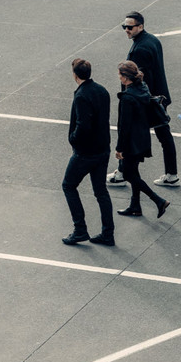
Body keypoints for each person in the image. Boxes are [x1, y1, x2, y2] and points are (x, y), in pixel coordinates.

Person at [108, 11, 180, 187]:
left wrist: (135, 101)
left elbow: (139, 79)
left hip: (146, 102)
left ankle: (122, 172)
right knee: (165, 135)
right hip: (159, 98)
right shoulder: (152, 40)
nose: (126, 30)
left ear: (140, 26)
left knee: (129, 134)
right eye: (124, 26)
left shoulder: (139, 49)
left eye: (130, 27)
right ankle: (172, 173)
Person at [62, 59, 115, 246]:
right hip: (102, 149)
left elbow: (83, 126)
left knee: (68, 185)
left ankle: (80, 229)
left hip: (86, 152)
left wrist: (73, 139)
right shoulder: (102, 90)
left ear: (75, 75)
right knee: (101, 191)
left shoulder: (82, 96)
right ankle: (108, 233)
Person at [115, 61, 170, 219]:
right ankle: (135, 206)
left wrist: (119, 148)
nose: (119, 78)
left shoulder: (127, 98)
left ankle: (158, 200)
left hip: (131, 142)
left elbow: (124, 126)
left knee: (128, 174)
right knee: (134, 172)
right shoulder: (143, 88)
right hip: (143, 138)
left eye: (120, 75)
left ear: (126, 78)